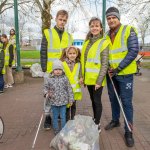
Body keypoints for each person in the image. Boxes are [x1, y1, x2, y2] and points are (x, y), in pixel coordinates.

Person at [104, 7, 139, 147]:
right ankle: (115, 120)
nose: (111, 20)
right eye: (109, 18)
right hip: (111, 74)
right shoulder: (106, 35)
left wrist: (118, 68)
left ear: (118, 18)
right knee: (113, 99)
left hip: (124, 74)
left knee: (126, 102)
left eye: (114, 17)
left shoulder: (128, 30)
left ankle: (128, 131)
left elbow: (133, 50)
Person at [40, 10, 73, 129]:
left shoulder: (69, 36)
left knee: (62, 92)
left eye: (64, 20)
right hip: (50, 71)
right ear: (56, 19)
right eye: (60, 19)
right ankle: (48, 116)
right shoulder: (48, 33)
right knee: (49, 94)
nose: (62, 22)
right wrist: (44, 67)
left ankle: (59, 114)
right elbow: (43, 51)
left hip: (63, 71)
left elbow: (70, 54)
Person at [81, 17, 110, 132]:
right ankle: (95, 119)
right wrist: (81, 76)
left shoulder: (104, 43)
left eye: (97, 26)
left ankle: (97, 124)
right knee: (92, 100)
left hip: (97, 80)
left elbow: (104, 64)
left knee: (97, 101)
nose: (94, 28)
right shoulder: (87, 42)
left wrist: (99, 81)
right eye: (92, 26)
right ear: (90, 28)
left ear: (101, 28)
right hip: (88, 78)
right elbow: (83, 61)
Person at [43, 60, 74, 134]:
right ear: (53, 70)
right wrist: (46, 93)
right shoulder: (49, 79)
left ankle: (63, 129)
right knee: (55, 116)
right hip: (53, 102)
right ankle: (56, 129)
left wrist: (71, 99)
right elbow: (45, 88)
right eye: (56, 69)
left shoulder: (65, 78)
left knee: (63, 116)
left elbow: (69, 89)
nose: (58, 71)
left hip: (63, 102)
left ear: (62, 70)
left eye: (59, 69)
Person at [60, 46, 82, 121]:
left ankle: (72, 119)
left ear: (76, 54)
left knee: (73, 106)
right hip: (66, 89)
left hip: (75, 90)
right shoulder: (63, 64)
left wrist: (81, 78)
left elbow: (80, 74)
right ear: (67, 54)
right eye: (70, 53)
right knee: (67, 106)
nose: (72, 55)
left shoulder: (78, 64)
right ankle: (66, 120)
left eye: (74, 53)